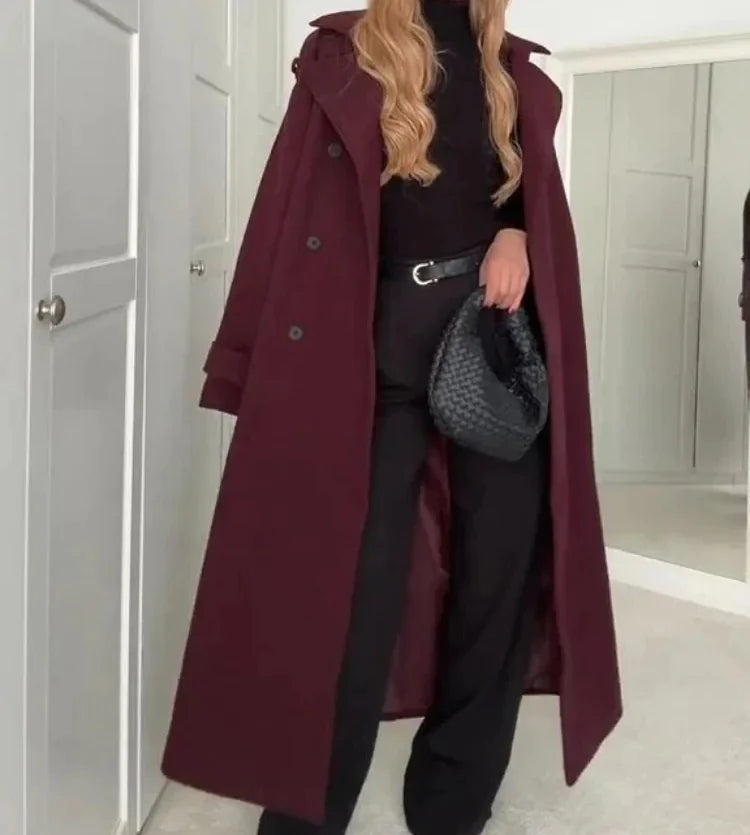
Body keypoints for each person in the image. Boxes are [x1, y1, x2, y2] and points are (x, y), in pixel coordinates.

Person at [162, 3, 622, 834]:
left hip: (487, 333)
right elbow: (288, 208)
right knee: (348, 585)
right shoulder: (346, 52)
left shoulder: (505, 62)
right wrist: (244, 358)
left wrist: (514, 235)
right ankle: (308, 805)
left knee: (497, 574)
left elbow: (519, 196)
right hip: (371, 345)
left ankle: (453, 796)